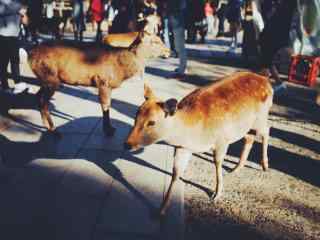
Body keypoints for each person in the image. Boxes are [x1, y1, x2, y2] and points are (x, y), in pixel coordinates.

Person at [259, 0, 297, 91]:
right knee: (267, 59)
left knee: (268, 59)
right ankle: (269, 81)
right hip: (274, 31)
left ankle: (278, 82)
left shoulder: (289, 5)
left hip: (276, 31)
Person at [0, 0, 29, 94]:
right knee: (3, 62)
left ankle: (18, 84)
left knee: (15, 61)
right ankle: (4, 85)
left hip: (15, 36)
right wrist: (17, 10)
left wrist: (24, 15)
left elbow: (25, 22)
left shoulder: (19, 4)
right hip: (3, 35)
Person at [167, 0, 187, 79]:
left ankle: (182, 71)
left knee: (179, 44)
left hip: (177, 17)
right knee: (178, 44)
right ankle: (182, 68)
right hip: (176, 16)